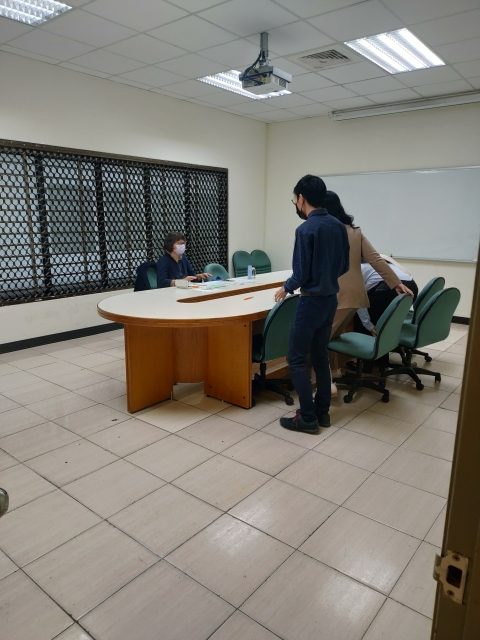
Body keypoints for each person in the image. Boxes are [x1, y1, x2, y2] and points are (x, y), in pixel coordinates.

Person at [274, 175, 349, 434]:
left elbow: (301, 274)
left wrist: (286, 287)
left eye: (295, 199)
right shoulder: (338, 226)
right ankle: (322, 412)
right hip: (330, 300)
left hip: (311, 302)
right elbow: (344, 266)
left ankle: (307, 417)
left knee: (295, 359)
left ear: (301, 198)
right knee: (320, 356)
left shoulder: (305, 229)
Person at [321, 191, 413, 390]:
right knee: (333, 335)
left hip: (337, 296)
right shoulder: (355, 232)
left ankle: (326, 384)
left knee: (318, 339)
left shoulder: (324, 232)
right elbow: (376, 259)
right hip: (355, 297)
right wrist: (395, 282)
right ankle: (336, 371)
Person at [356, 257, 418, 335]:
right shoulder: (376, 258)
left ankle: (367, 341)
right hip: (412, 287)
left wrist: (368, 325)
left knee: (359, 319)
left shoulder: (353, 269)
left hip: (393, 289)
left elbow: (359, 299)